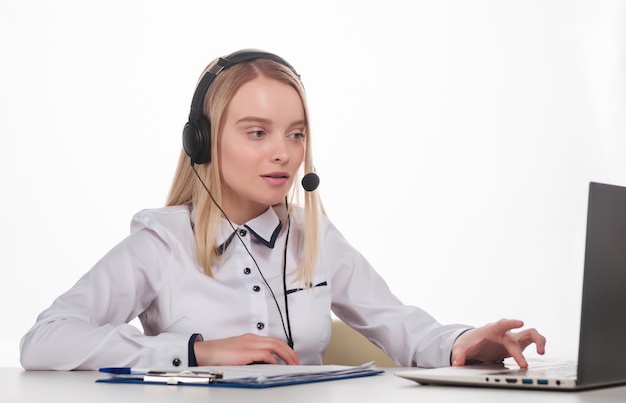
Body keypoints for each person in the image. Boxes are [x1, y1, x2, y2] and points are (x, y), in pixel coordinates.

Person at [20, 49, 546, 370]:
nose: (285, 152)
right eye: (257, 132)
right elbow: (44, 341)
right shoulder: (160, 245)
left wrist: (465, 342)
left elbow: (399, 326)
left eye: (296, 134)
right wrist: (197, 351)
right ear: (203, 143)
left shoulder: (311, 234)